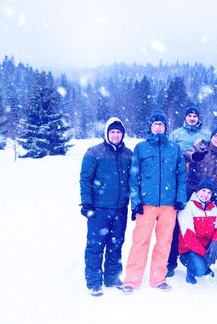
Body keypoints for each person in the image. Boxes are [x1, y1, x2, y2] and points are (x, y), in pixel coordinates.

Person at [120, 109, 187, 294]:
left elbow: (181, 175)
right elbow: (133, 177)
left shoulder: (174, 148)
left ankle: (158, 278)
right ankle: (131, 280)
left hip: (169, 204)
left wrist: (180, 198)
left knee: (164, 242)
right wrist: (136, 202)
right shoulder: (141, 148)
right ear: (150, 126)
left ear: (166, 127)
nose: (158, 126)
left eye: (161, 124)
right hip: (147, 204)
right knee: (140, 242)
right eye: (155, 123)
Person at [79, 117, 133, 297]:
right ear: (106, 134)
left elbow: (134, 181)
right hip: (99, 209)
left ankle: (112, 277)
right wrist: (86, 202)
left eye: (118, 132)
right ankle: (94, 282)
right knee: (95, 245)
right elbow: (85, 178)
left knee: (116, 244)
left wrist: (135, 205)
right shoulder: (94, 153)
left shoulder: (128, 154)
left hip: (120, 208)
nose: (116, 135)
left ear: (123, 134)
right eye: (112, 132)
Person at [166, 103, 210, 277]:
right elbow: (171, 155)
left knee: (200, 225)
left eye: (195, 116)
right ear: (185, 117)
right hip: (181, 183)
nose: (192, 118)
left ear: (199, 118)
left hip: (199, 186)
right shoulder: (176, 134)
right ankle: (171, 261)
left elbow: (209, 154)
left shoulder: (205, 135)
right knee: (176, 225)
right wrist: (188, 153)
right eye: (189, 115)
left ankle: (198, 259)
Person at [178, 177, 217, 291]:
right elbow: (189, 238)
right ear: (197, 191)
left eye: (209, 192)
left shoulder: (212, 207)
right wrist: (205, 254)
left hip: (207, 246)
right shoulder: (188, 208)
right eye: (203, 190)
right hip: (189, 251)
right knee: (200, 270)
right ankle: (192, 270)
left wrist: (215, 241)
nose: (205, 194)